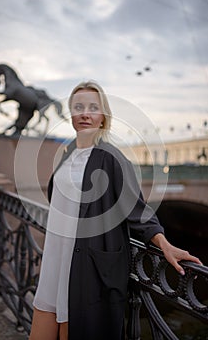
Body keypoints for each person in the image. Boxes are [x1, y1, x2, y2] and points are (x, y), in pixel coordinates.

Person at [29, 81, 202, 340]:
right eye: (78, 107)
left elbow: (137, 209)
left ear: (103, 117)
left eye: (92, 107)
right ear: (72, 115)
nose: (85, 113)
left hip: (86, 264)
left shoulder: (111, 157)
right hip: (57, 255)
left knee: (71, 329)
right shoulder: (69, 153)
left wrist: (163, 243)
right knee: (41, 329)